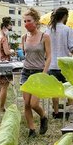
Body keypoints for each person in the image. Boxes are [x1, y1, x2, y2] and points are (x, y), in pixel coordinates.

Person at [20, 8, 51, 136]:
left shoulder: (45, 37)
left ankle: (43, 116)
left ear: (36, 22)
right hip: (26, 72)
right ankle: (32, 130)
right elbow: (25, 54)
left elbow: (49, 56)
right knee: (27, 104)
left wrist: (44, 73)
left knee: (34, 104)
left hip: (39, 72)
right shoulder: (23, 37)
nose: (26, 23)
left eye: (29, 21)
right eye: (25, 21)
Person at [44, 6, 73, 117]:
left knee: (55, 90)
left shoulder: (48, 30)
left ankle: (56, 112)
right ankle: (70, 111)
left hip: (51, 65)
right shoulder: (67, 29)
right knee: (70, 89)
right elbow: (72, 47)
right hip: (65, 65)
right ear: (64, 16)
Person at [0, 17, 15, 112]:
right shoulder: (3, 38)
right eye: (9, 29)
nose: (9, 31)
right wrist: (11, 51)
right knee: (5, 85)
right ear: (4, 28)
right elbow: (7, 52)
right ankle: (2, 107)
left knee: (0, 85)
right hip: (5, 64)